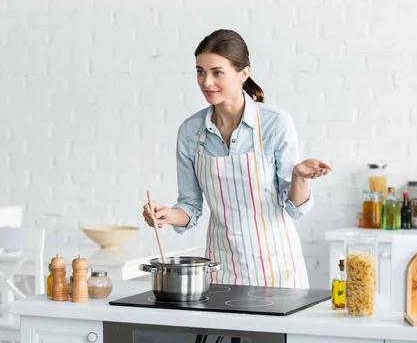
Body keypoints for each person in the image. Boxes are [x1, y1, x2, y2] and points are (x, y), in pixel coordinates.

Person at [142, 29, 332, 288]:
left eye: (217, 72)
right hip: (222, 269)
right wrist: (165, 215)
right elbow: (190, 207)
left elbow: (294, 208)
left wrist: (299, 176)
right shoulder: (190, 132)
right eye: (200, 71)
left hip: (277, 269)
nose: (206, 82)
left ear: (243, 74)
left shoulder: (275, 123)